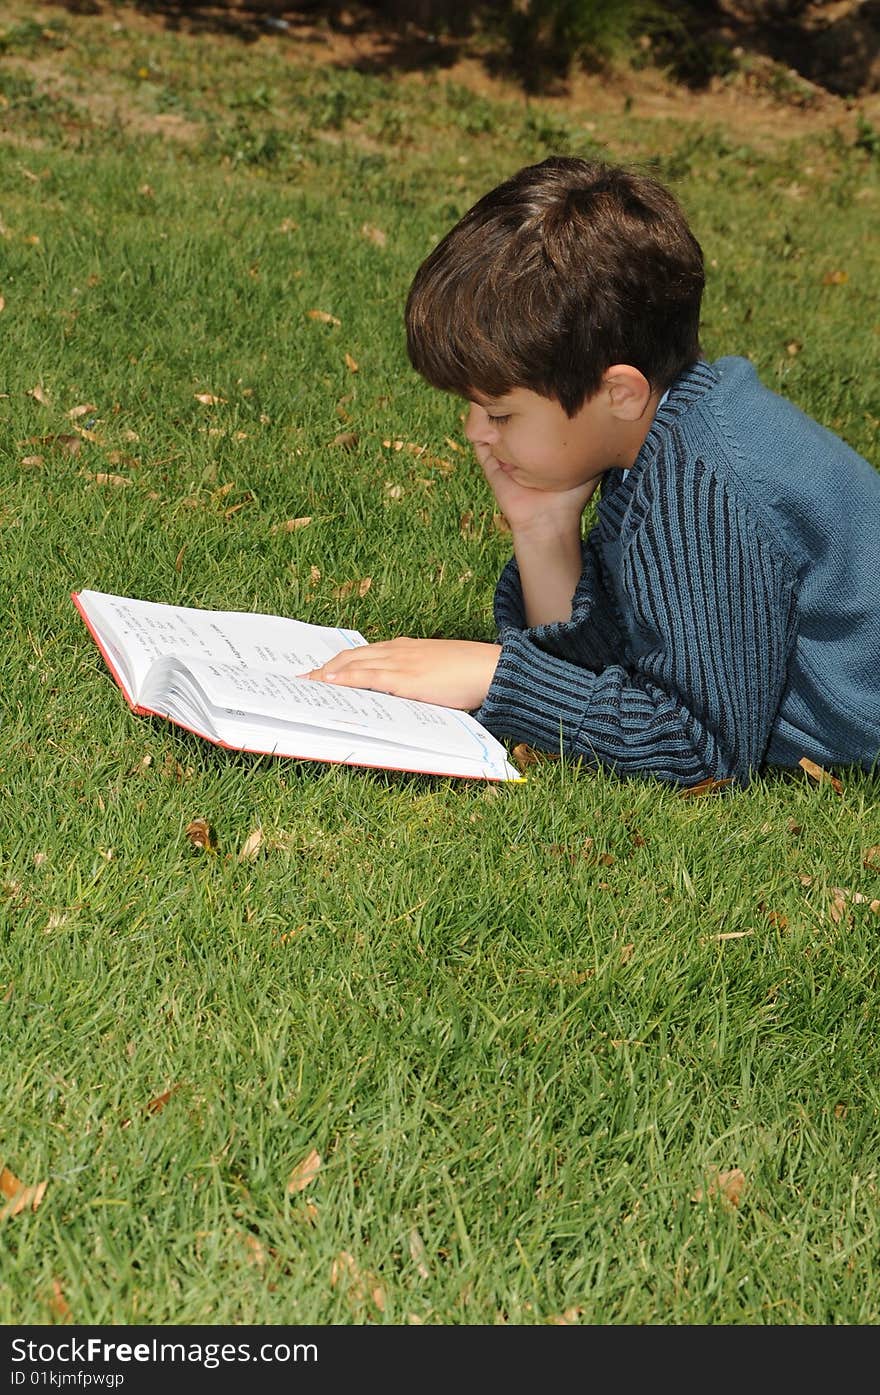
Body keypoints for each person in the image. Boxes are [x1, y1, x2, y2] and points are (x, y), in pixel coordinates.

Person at [304, 156, 880, 786]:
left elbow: (700, 749)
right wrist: (544, 530)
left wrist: (498, 676)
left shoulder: (709, 485)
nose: (474, 431)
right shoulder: (661, 434)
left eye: (500, 412)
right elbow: (619, 666)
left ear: (619, 393)